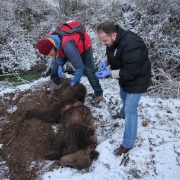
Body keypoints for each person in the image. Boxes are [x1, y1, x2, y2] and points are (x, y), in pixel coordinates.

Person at [96, 20, 151, 155]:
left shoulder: (132, 44)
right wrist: (106, 61)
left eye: (104, 40)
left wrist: (109, 73)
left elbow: (131, 72)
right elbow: (115, 53)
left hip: (138, 79)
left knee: (131, 109)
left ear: (114, 35)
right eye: (101, 41)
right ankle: (122, 113)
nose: (103, 43)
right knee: (123, 95)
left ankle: (128, 144)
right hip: (125, 77)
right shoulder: (114, 40)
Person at [36, 20, 103, 105]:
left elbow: (79, 67)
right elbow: (58, 54)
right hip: (65, 47)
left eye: (49, 53)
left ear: (53, 47)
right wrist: (60, 64)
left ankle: (98, 93)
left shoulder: (68, 47)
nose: (49, 56)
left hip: (83, 48)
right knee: (56, 65)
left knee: (89, 71)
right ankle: (56, 82)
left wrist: (75, 82)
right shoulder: (52, 38)